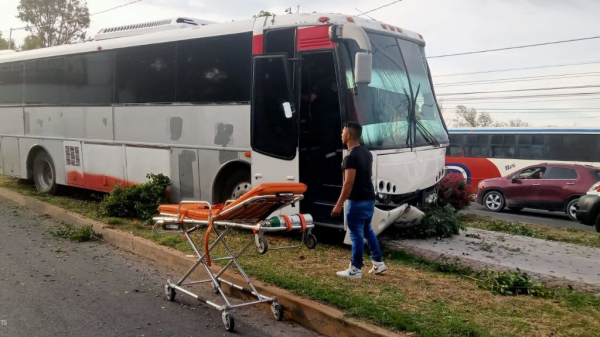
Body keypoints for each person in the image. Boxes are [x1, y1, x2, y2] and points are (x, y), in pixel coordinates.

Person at [331, 121, 387, 279]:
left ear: (348, 135)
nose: (341, 134)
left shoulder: (350, 157)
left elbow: (348, 183)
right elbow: (367, 175)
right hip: (369, 198)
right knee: (367, 231)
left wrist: (338, 204)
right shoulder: (366, 153)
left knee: (355, 234)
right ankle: (378, 263)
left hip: (357, 201)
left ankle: (355, 269)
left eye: (343, 132)